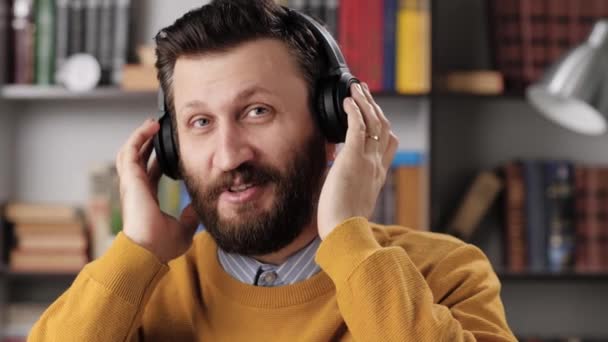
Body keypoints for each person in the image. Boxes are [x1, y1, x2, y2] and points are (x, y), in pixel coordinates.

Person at [29, 1, 516, 341]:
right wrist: (135, 251)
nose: (228, 154)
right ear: (171, 147)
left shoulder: (447, 273)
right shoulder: (142, 286)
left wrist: (348, 236)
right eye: (200, 122)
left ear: (334, 121)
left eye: (256, 111)